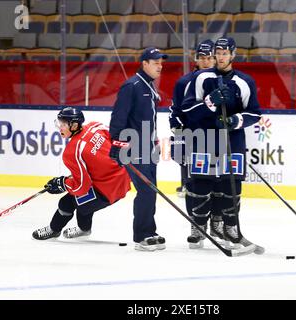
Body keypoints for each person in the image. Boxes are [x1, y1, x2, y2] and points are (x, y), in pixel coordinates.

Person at [179, 37, 262, 249]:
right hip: (204, 140)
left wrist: (236, 120)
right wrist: (209, 102)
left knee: (230, 187)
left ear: (233, 54)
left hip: (231, 141)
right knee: (201, 186)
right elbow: (187, 111)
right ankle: (198, 228)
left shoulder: (244, 81)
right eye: (218, 53)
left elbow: (254, 113)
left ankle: (231, 229)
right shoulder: (201, 78)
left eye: (226, 53)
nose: (221, 57)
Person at [32, 107, 131, 240]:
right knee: (84, 202)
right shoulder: (95, 126)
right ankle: (84, 229)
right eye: (59, 123)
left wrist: (63, 184)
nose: (59, 128)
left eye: (63, 124)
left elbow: (81, 187)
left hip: (108, 190)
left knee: (67, 202)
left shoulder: (72, 151)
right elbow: (117, 140)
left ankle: (54, 230)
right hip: (124, 177)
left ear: (73, 125)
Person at [109, 47, 168, 251]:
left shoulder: (148, 86)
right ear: (144, 64)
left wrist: (154, 142)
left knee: (151, 192)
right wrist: (117, 144)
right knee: (145, 190)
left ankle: (149, 231)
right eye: (155, 62)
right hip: (134, 149)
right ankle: (142, 236)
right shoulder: (132, 86)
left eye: (161, 63)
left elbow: (146, 120)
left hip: (148, 150)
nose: (160, 66)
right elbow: (118, 117)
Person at [170, 39, 216, 198]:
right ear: (196, 59)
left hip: (213, 133)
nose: (206, 61)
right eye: (202, 58)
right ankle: (186, 183)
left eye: (209, 58)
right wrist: (177, 128)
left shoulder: (221, 80)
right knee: (185, 157)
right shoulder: (184, 82)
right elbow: (176, 109)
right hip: (191, 131)